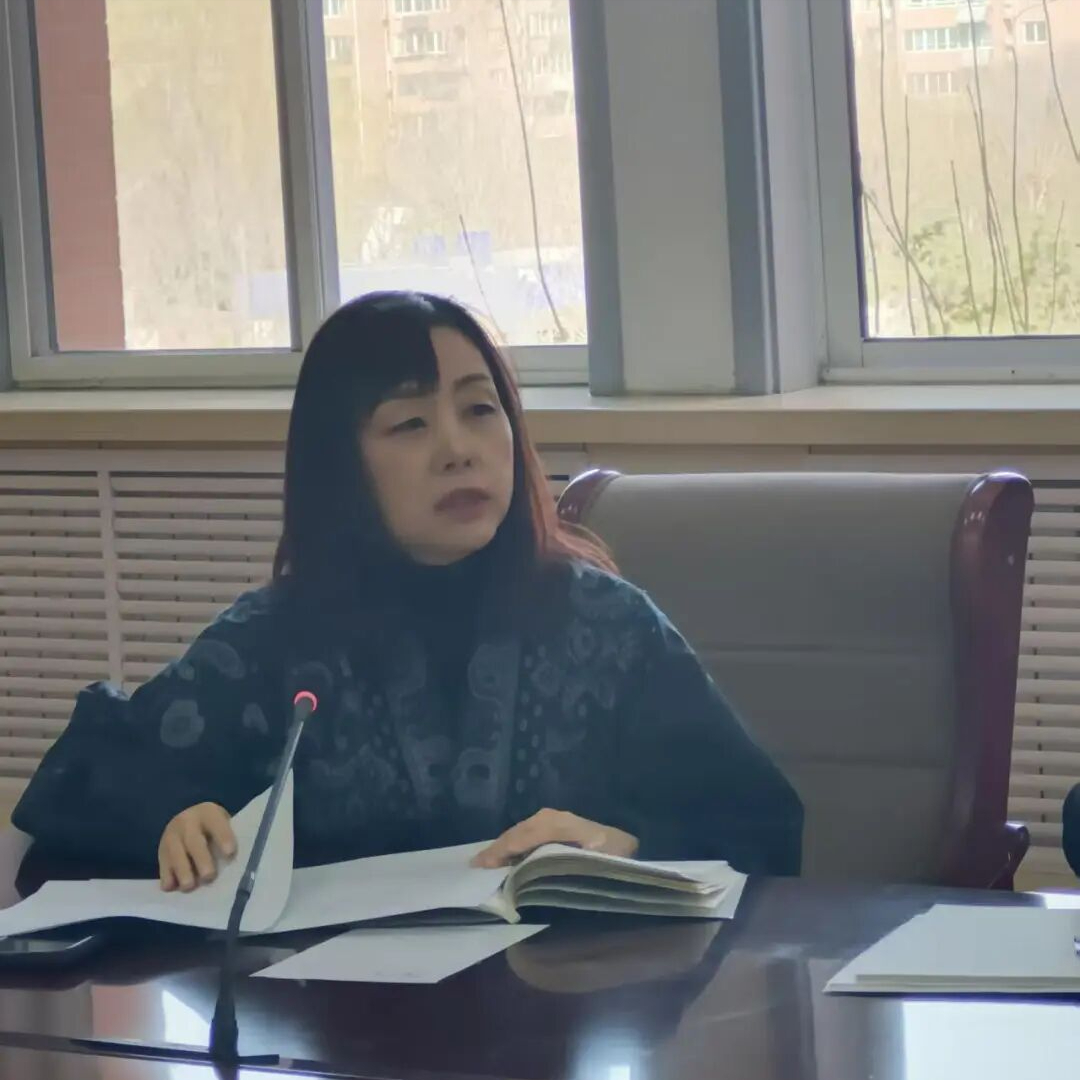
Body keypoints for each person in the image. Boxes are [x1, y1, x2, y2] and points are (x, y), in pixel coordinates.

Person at [13, 292, 803, 893]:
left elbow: (759, 823)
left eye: (479, 410)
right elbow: (83, 797)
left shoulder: (608, 627)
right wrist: (169, 820)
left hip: (563, 1008)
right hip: (334, 1023)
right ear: (340, 464)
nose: (459, 450)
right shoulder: (273, 641)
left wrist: (624, 846)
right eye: (409, 425)